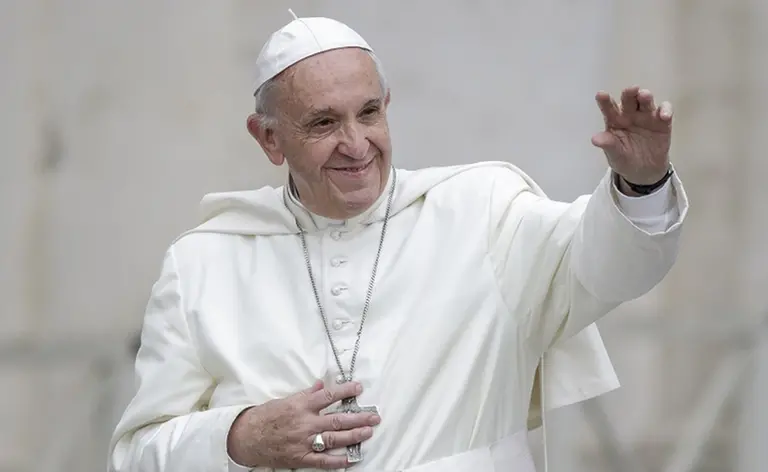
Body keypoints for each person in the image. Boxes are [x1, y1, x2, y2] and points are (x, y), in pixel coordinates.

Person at [108, 12, 688, 472]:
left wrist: (641, 183)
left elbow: (609, 270)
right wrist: (240, 437)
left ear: (387, 107)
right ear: (268, 138)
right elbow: (136, 455)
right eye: (323, 123)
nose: (356, 144)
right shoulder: (204, 263)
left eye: (368, 114)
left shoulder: (482, 211)